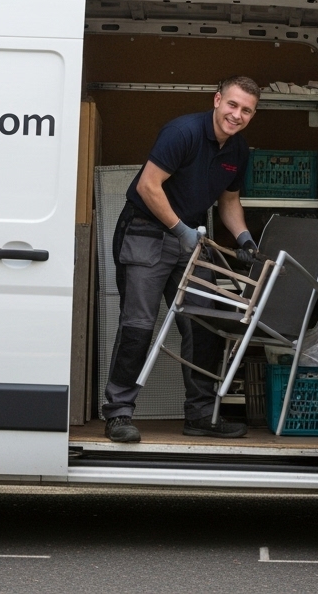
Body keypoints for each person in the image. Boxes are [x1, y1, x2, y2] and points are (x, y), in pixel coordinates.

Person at [101, 76, 264, 443]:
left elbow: (229, 201)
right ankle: (119, 413)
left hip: (187, 236)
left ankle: (201, 415)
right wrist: (181, 230)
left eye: (246, 111)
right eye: (232, 105)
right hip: (145, 230)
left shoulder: (238, 151)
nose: (236, 115)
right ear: (217, 99)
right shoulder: (183, 132)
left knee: (204, 321)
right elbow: (148, 185)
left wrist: (244, 238)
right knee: (139, 324)